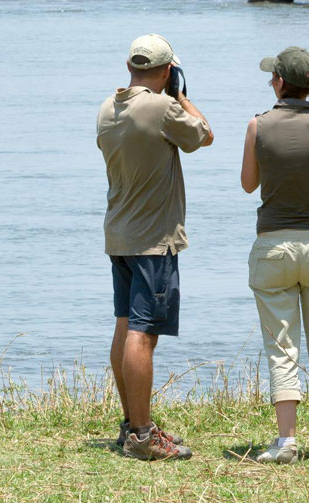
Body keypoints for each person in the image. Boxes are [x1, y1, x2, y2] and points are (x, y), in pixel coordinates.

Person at [96, 34, 214, 461]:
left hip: (119, 234)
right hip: (152, 240)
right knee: (143, 334)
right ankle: (143, 436)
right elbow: (204, 135)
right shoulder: (163, 107)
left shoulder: (107, 108)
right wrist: (180, 95)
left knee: (126, 325)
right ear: (167, 70)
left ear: (130, 66)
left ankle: (132, 424)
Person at [240, 46, 309, 464]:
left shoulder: (257, 125)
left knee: (281, 347)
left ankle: (286, 441)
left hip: (273, 246)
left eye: (272, 76)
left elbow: (248, 184)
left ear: (280, 83)